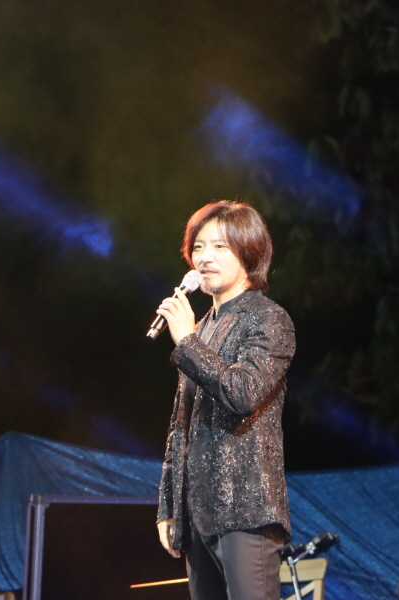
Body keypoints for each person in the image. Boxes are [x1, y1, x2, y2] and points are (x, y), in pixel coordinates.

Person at [155, 200, 296, 600]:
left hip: (246, 509)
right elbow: (180, 424)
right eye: (199, 247)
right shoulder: (201, 327)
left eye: (220, 247)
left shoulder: (268, 319)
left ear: (248, 253)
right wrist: (169, 506)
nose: (205, 258)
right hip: (198, 512)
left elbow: (244, 392)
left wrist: (186, 341)